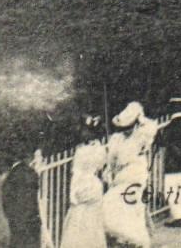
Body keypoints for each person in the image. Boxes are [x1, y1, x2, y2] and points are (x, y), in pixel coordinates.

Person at [104, 101, 157, 248]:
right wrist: (109, 172)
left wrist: (141, 118)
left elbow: (152, 127)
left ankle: (137, 239)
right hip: (120, 177)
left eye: (130, 127)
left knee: (132, 206)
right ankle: (124, 238)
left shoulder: (141, 135)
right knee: (114, 205)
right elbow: (111, 160)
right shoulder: (116, 139)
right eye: (124, 128)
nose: (127, 131)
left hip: (136, 175)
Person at [62, 117, 108, 248]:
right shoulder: (99, 148)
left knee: (78, 219)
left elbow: (76, 173)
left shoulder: (81, 151)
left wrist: (72, 192)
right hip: (94, 184)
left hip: (82, 183)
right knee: (94, 220)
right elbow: (100, 166)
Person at [156, 98, 181, 226]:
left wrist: (157, 133)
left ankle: (178, 217)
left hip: (173, 165)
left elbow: (162, 144)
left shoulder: (167, 129)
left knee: (172, 191)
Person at [0, 148, 40, 248]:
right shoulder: (31, 172)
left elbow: (6, 201)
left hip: (17, 224)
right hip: (32, 221)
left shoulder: (10, 177)